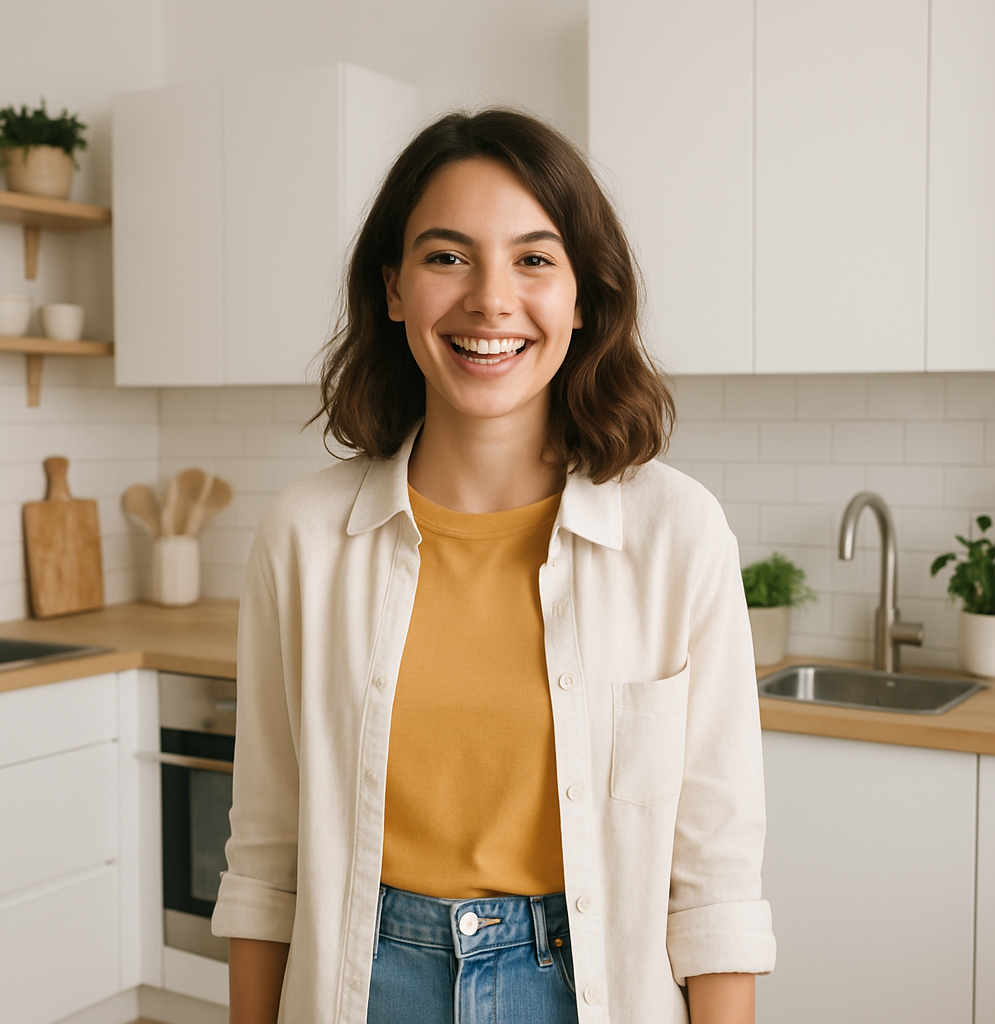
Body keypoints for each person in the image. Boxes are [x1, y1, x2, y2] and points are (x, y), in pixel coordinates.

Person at [211, 108, 776, 1024]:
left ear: (583, 295)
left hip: (587, 991)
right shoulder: (303, 536)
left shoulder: (679, 535)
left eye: (533, 258)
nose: (490, 300)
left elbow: (714, 886)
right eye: (447, 257)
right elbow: (266, 861)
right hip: (361, 986)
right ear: (392, 287)